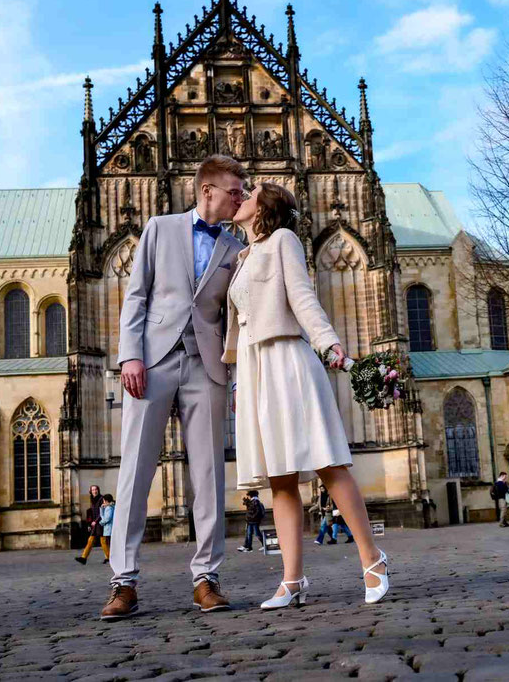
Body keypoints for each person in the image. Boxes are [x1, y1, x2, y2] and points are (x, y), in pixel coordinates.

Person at [224, 181, 388, 608]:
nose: (241, 195)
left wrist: (329, 342)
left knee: (328, 464)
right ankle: (292, 580)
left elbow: (303, 296)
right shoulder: (243, 256)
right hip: (257, 368)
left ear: (266, 207)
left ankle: (373, 560)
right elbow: (241, 327)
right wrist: (240, 381)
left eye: (251, 191)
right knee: (279, 478)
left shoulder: (284, 240)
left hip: (288, 361)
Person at [103, 155, 248, 621]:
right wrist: (130, 354)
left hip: (207, 368)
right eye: (234, 190)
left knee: (209, 474)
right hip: (152, 361)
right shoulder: (159, 227)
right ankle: (123, 582)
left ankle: (206, 578)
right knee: (135, 473)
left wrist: (237, 375)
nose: (240, 197)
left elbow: (233, 315)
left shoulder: (235, 246)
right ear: (207, 190)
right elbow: (137, 293)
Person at [75, 485, 105, 565]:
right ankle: (83, 558)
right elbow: (91, 512)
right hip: (94, 524)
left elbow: (102, 512)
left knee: (103, 541)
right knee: (90, 540)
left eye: (96, 489)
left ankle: (109, 557)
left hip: (100, 523)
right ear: (91, 492)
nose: (94, 491)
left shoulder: (101, 499)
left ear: (98, 490)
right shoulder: (92, 499)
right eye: (93, 490)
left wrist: (96, 521)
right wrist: (89, 524)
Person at [99, 494, 115, 563]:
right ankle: (110, 557)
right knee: (110, 543)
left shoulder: (109, 508)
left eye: (104, 501)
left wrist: (101, 522)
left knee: (109, 543)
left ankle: (110, 557)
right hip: (111, 528)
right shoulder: (112, 506)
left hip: (109, 528)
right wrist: (102, 508)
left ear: (106, 500)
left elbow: (106, 518)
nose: (103, 502)